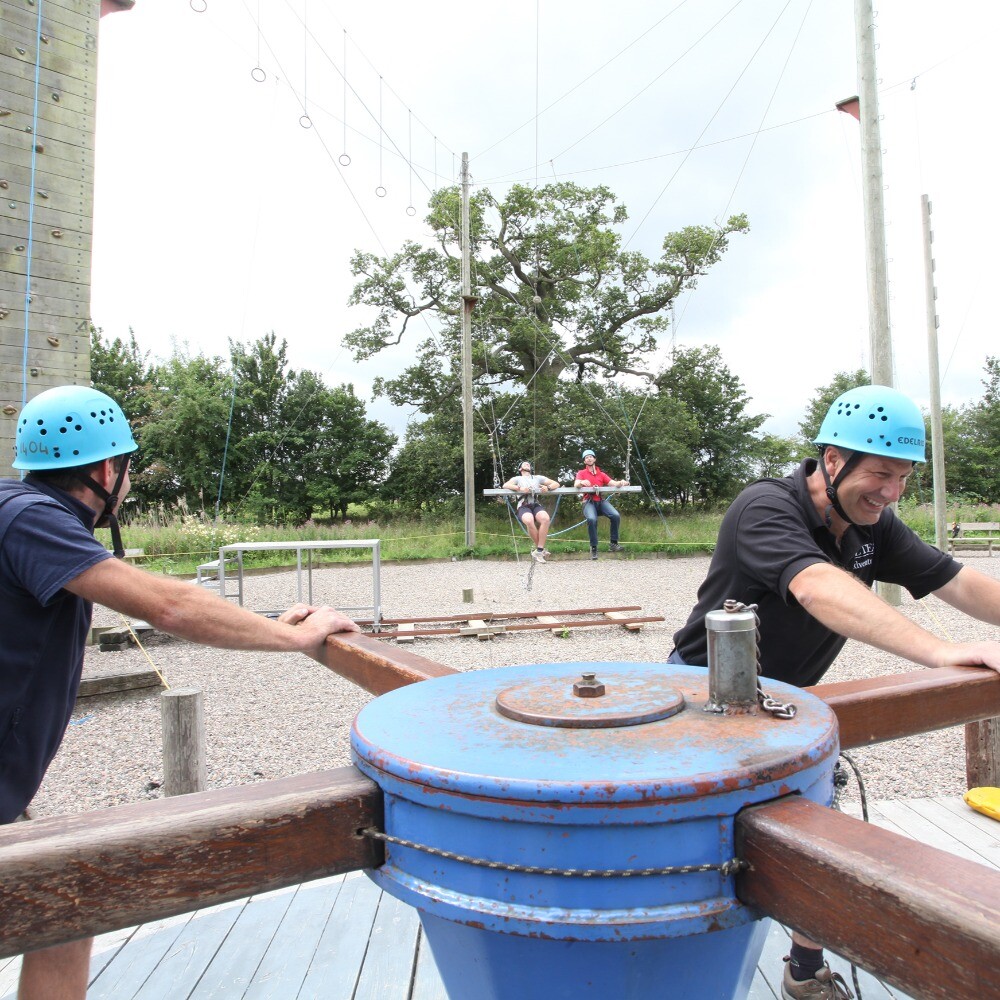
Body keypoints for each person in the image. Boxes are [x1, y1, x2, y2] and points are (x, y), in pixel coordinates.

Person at [1, 385, 360, 1000]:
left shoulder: (19, 508)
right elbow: (169, 605)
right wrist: (291, 640)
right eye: (128, 465)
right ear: (108, 470)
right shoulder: (33, 520)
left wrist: (272, 622)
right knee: (67, 898)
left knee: (69, 903)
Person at [669, 384, 1000, 1000]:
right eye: (880, 473)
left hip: (788, 708)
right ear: (832, 458)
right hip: (697, 703)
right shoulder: (766, 507)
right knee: (693, 847)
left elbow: (956, 580)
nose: (892, 492)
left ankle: (801, 971)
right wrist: (940, 651)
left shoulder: (874, 524)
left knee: (815, 830)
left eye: (903, 477)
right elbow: (819, 588)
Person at [574, 448, 628, 560]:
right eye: (586, 457)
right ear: (584, 461)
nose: (589, 458)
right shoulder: (581, 473)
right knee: (592, 520)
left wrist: (621, 482)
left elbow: (613, 483)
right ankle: (594, 548)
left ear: (594, 459)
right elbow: (576, 484)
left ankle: (613, 543)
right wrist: (581, 482)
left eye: (590, 456)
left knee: (615, 515)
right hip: (588, 501)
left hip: (600, 501)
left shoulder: (601, 474)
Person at [502, 461, 561, 563]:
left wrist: (548, 487)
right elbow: (506, 485)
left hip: (535, 504)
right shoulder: (518, 479)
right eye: (524, 464)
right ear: (520, 469)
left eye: (528, 464)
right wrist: (520, 488)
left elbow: (556, 483)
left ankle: (539, 550)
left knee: (545, 519)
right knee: (529, 521)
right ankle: (540, 550)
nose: (527, 464)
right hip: (523, 506)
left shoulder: (537, 478)